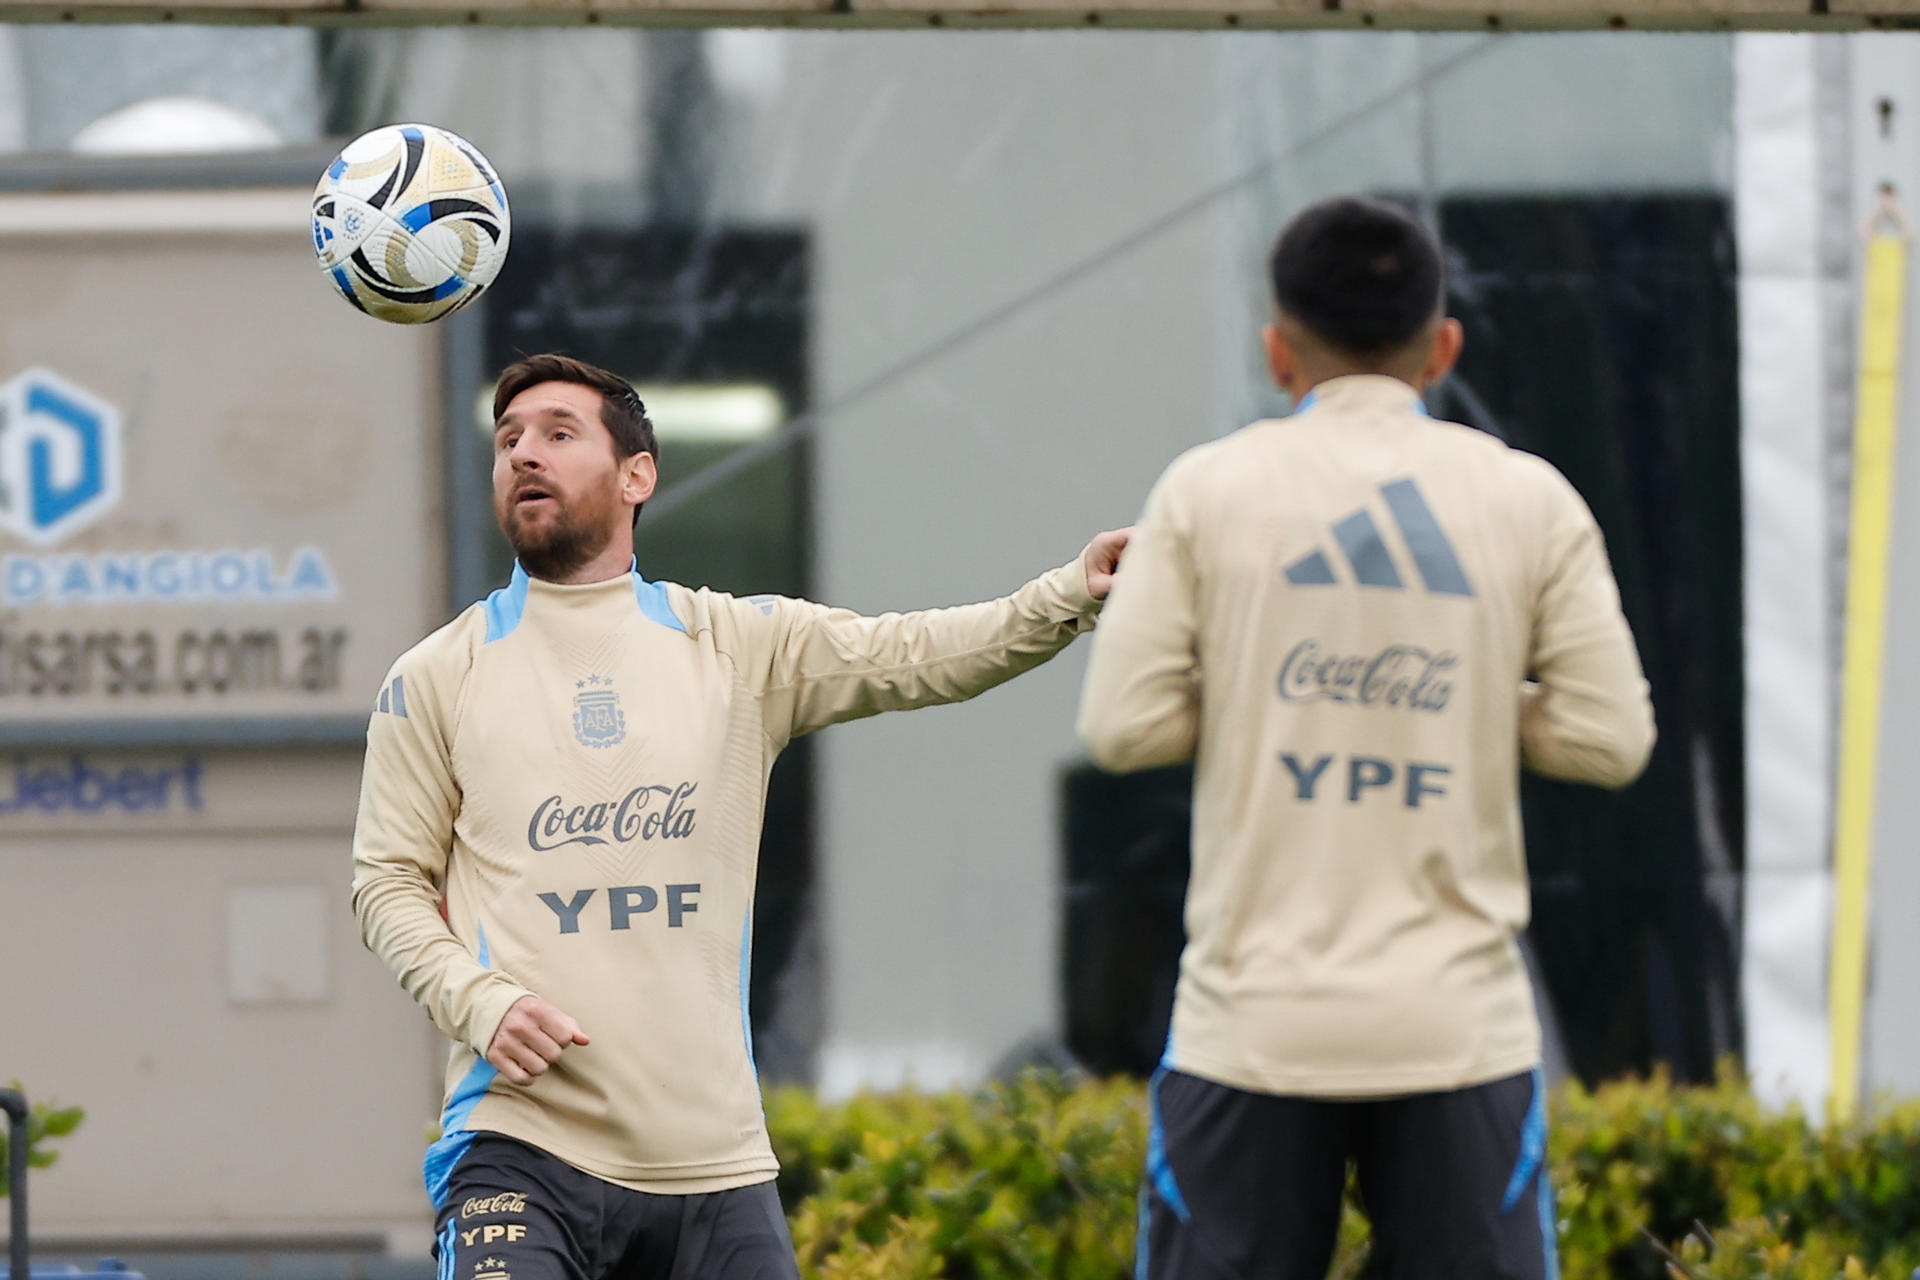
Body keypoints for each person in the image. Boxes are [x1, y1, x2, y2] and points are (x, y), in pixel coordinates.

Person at [350, 352, 1131, 1280]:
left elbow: (917, 653)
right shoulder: (437, 674)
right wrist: (479, 1001)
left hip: (715, 1168)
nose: (524, 454)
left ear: (637, 475)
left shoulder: (736, 643)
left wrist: (1069, 595)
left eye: (559, 434)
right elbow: (386, 884)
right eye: (508, 439)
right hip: (520, 1153)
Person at [1076, 197, 1656, 1280]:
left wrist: (1268, 691)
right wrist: (1473, 691)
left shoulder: (1207, 490)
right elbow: (1610, 736)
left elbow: (1122, 725)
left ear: (1278, 352)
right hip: (1458, 1033)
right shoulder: (1530, 497)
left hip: (1252, 1028)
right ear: (1443, 347)